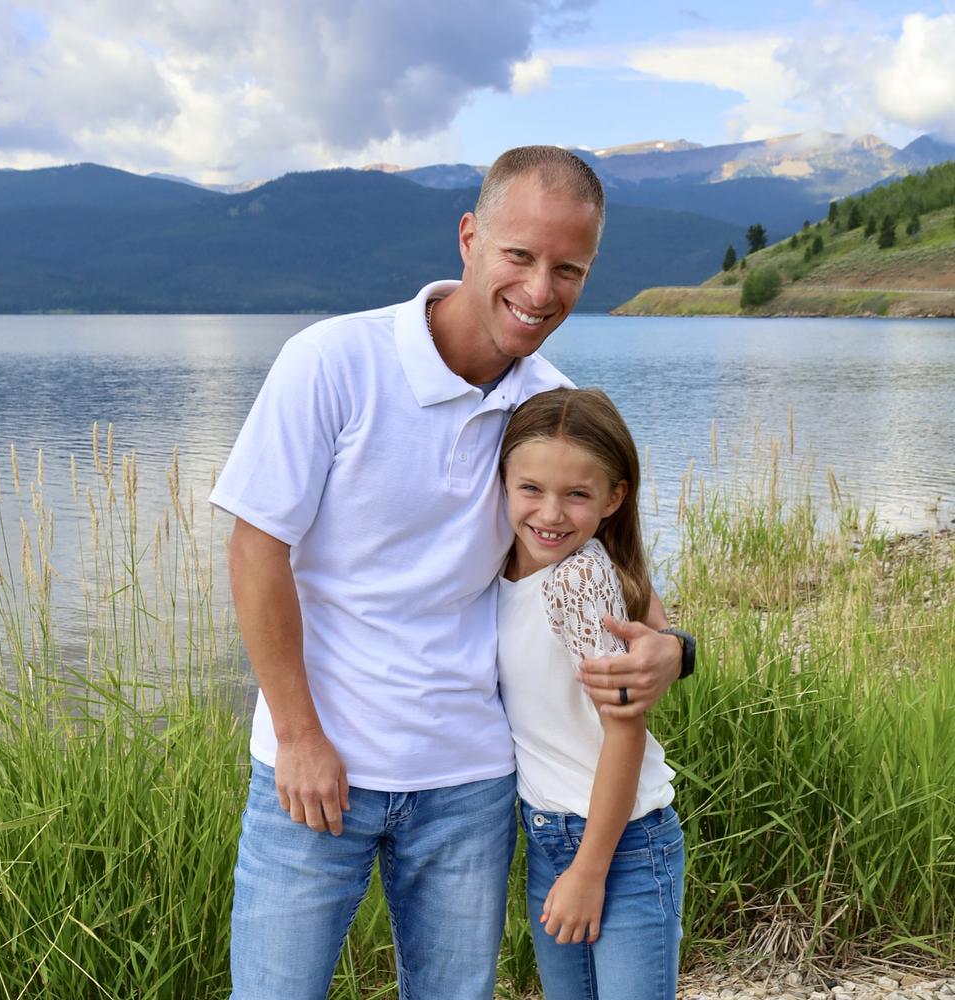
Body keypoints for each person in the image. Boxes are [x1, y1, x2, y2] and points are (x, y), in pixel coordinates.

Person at [209, 146, 691, 1000]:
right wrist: (299, 736)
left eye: (569, 269)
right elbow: (256, 549)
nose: (540, 289)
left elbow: (617, 579)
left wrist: (676, 649)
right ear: (469, 237)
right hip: (317, 768)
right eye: (520, 255)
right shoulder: (332, 361)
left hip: (468, 781)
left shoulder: (549, 407)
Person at [497, 387, 685, 1000]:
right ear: (503, 483)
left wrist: (588, 870)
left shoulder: (577, 579)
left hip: (618, 842)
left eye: (576, 495)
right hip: (550, 832)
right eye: (531, 489)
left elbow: (625, 729)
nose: (550, 514)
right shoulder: (502, 564)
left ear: (614, 497)